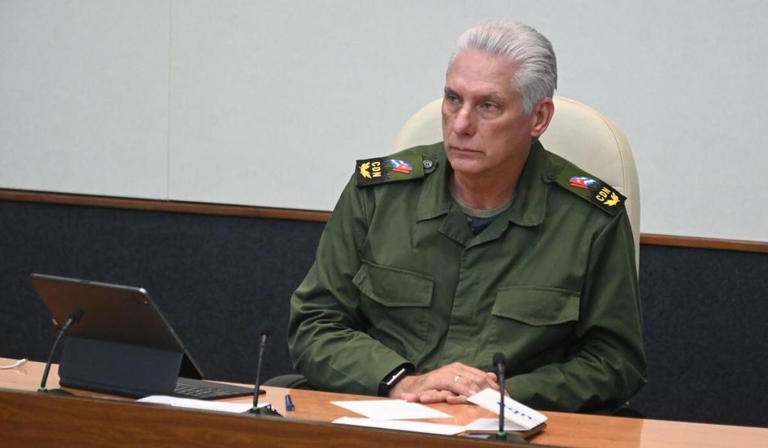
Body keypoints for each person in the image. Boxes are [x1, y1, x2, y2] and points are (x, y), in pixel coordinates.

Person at [288, 21, 646, 412]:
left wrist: (505, 396)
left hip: (508, 427)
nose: (461, 124)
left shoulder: (589, 220)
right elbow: (315, 323)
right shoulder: (378, 196)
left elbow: (615, 362)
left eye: (488, 106)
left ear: (539, 118)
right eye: (453, 99)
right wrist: (401, 381)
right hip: (388, 421)